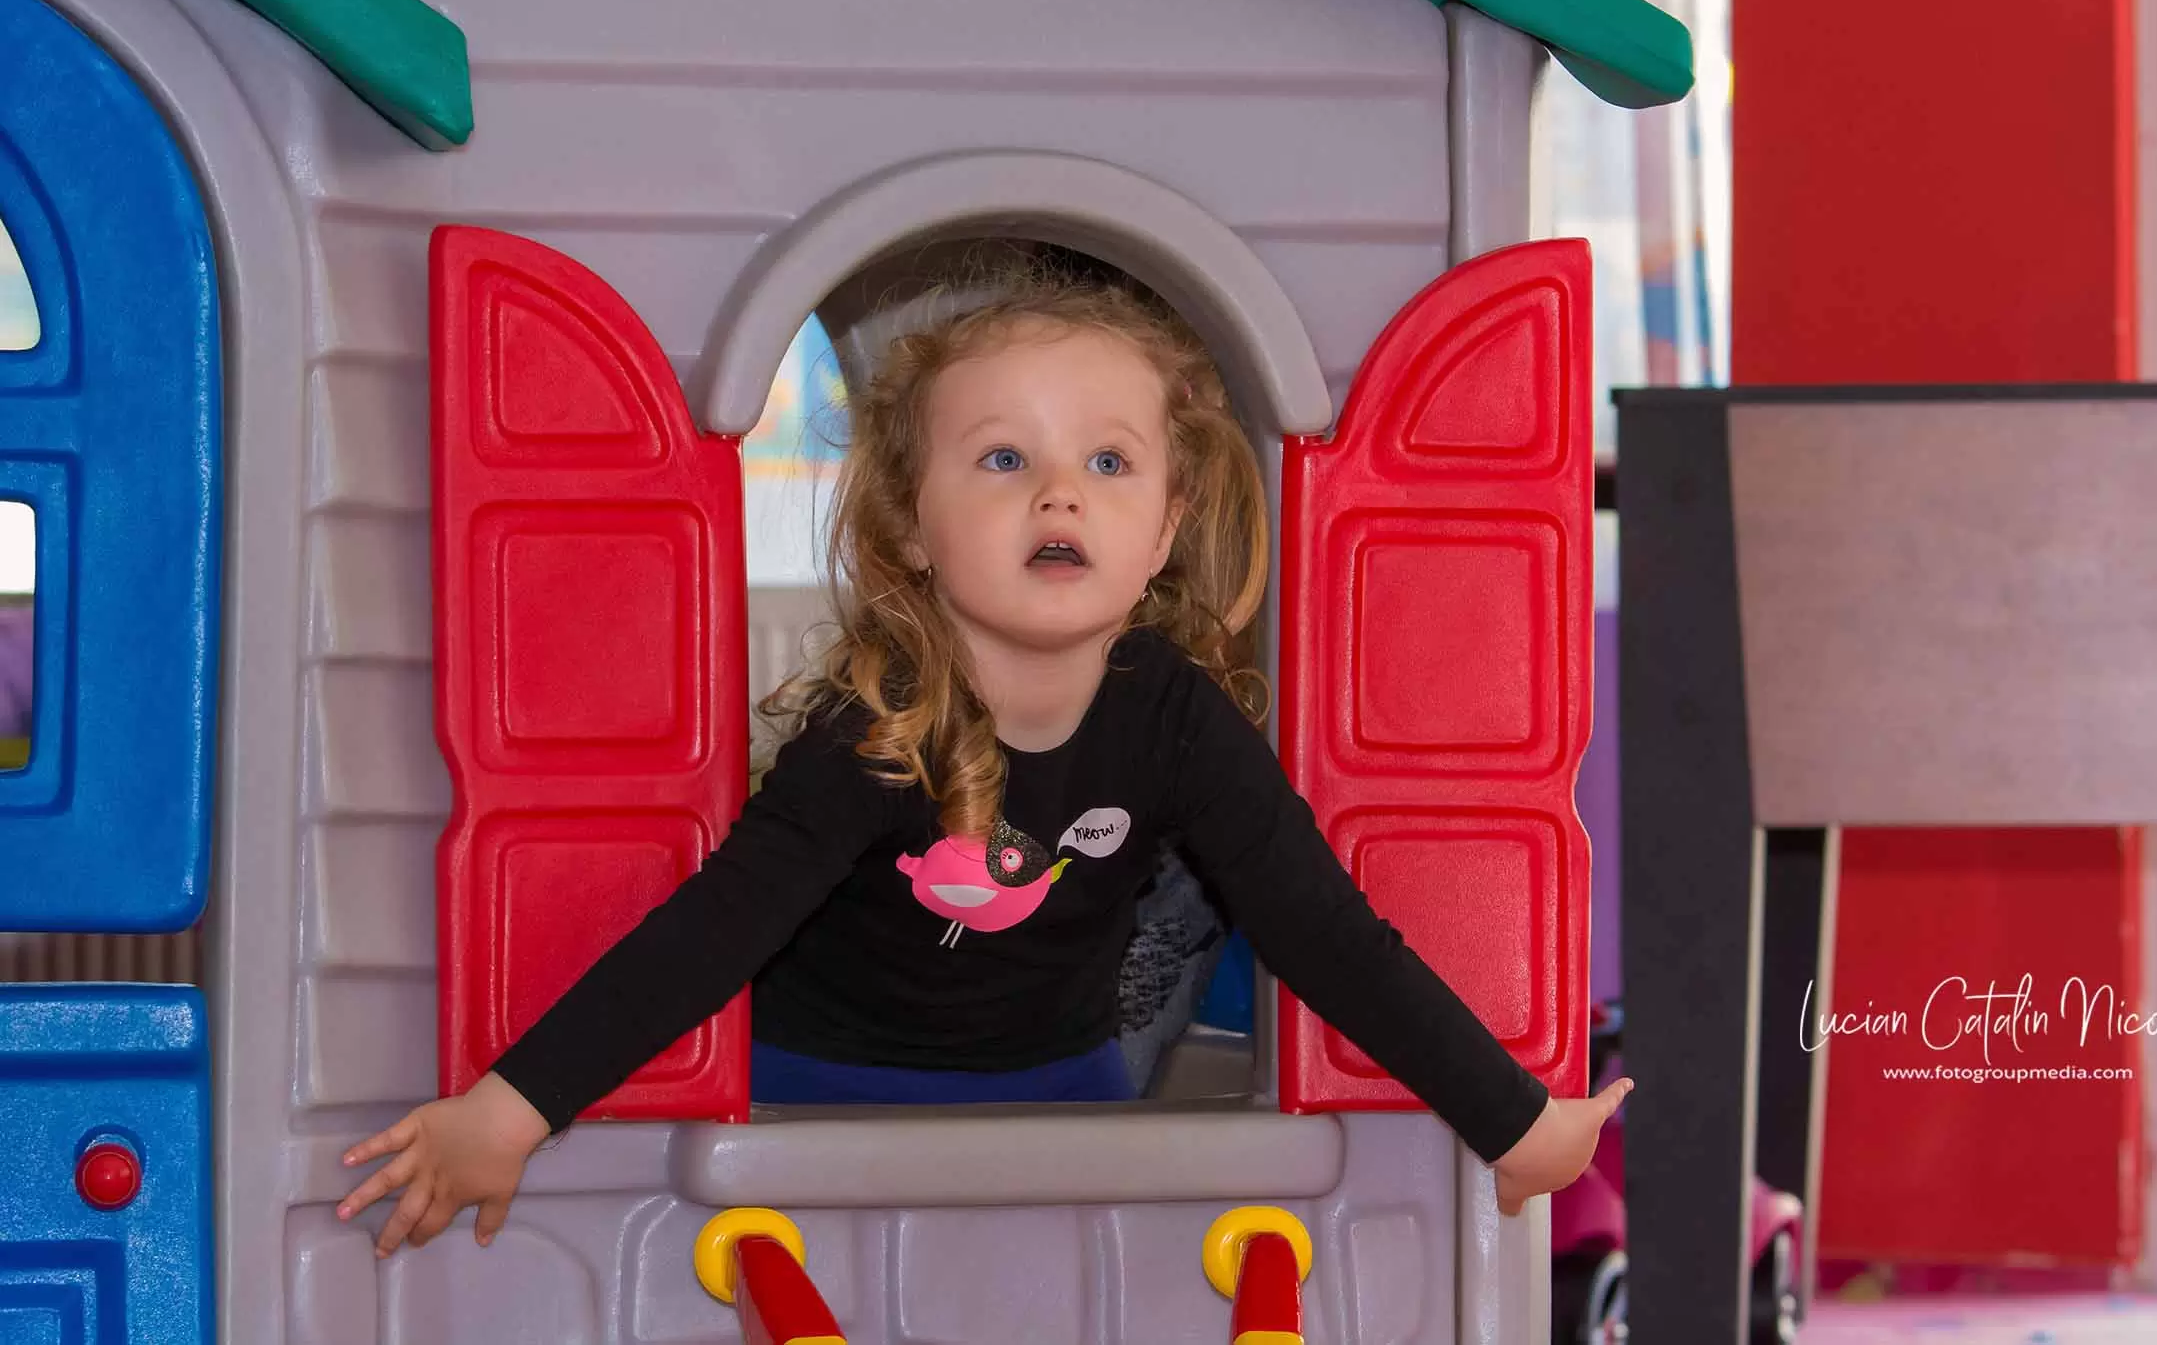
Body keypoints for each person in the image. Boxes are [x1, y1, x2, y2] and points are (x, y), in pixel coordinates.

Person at [337, 253, 1630, 1257]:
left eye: (1109, 461)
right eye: (1004, 458)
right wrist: (508, 1112)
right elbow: (709, 935)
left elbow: (1327, 931)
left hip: (1054, 1089)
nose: (1060, 493)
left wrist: (1513, 1119)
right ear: (911, 524)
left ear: (1165, 525)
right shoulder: (875, 726)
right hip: (812, 1086)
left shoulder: (1176, 717)